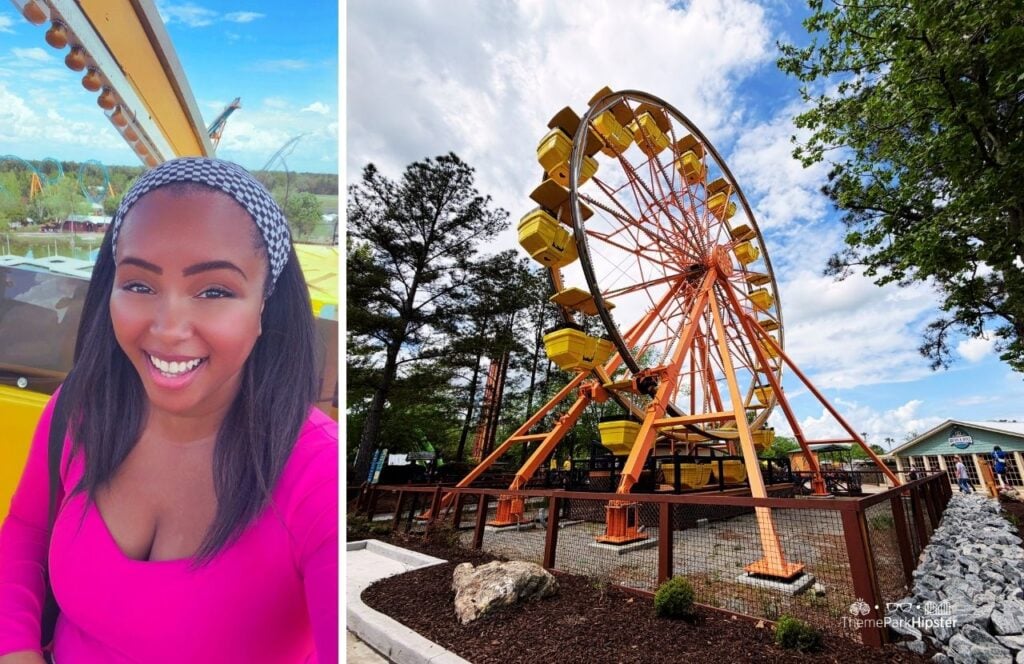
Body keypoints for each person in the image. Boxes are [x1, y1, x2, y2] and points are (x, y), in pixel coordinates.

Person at [0, 158, 338, 663]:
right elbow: (26, 531)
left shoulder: (319, 476)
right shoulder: (81, 406)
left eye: (214, 291)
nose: (167, 327)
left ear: (264, 304)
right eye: (139, 284)